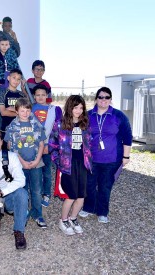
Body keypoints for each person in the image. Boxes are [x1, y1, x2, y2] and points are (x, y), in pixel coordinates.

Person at [79, 87, 132, 224]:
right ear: (96, 99)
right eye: (101, 97)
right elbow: (79, 134)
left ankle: (103, 212)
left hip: (111, 159)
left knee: (105, 185)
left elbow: (127, 137)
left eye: (107, 97)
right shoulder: (88, 115)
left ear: (110, 99)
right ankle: (89, 207)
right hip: (91, 158)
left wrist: (126, 157)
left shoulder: (119, 116)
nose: (103, 100)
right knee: (89, 185)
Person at [49, 95, 92, 235]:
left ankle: (73, 218)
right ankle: (64, 220)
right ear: (69, 108)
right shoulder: (60, 124)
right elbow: (52, 144)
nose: (78, 111)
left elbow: (89, 143)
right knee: (71, 195)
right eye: (75, 107)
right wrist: (58, 161)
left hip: (82, 164)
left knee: (81, 195)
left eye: (81, 108)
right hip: (68, 165)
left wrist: (89, 158)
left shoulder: (85, 124)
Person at [4, 98, 47, 228]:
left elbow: (41, 143)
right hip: (19, 164)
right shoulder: (12, 126)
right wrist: (22, 162)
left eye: (28, 110)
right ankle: (23, 213)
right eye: (22, 110)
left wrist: (37, 160)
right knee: (22, 190)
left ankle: (37, 213)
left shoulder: (36, 123)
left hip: (36, 162)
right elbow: (10, 146)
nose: (25, 113)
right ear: (16, 111)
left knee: (37, 189)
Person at [31, 84, 63, 207]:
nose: (40, 97)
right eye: (38, 95)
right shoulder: (31, 108)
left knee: (47, 172)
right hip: (33, 146)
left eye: (43, 95)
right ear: (34, 96)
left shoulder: (53, 109)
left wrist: (49, 145)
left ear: (47, 96)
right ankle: (36, 193)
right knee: (35, 171)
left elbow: (58, 129)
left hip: (48, 146)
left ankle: (46, 194)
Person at [0, 68, 27, 140]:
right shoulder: (1, 93)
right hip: (5, 130)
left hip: (19, 130)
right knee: (5, 151)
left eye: (18, 79)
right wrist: (19, 113)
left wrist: (12, 109)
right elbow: (3, 112)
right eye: (14, 78)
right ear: (8, 78)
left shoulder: (22, 95)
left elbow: (27, 112)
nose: (16, 81)